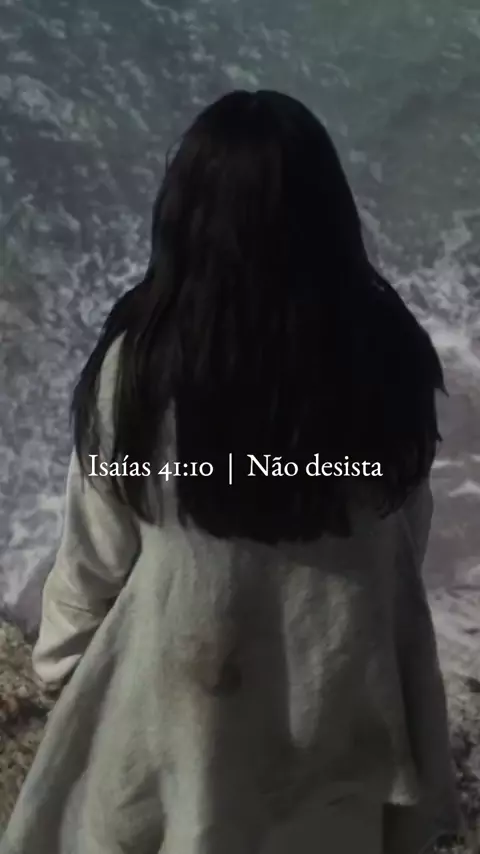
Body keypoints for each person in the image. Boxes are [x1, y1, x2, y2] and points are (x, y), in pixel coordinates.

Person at [0, 90, 461, 854]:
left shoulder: (143, 372)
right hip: (341, 693)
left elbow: (93, 559)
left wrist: (59, 666)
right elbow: (403, 536)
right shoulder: (390, 360)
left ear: (183, 221)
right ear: (331, 220)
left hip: (190, 700)